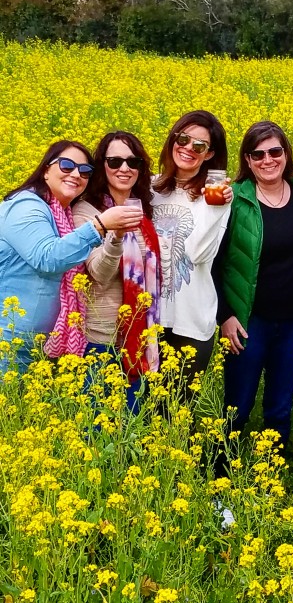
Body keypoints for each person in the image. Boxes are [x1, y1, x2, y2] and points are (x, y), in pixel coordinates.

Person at [215, 120, 293, 456]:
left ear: (286, 154)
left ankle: (272, 476)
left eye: (275, 151)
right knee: (239, 403)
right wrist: (225, 315)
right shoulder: (234, 201)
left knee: (280, 406)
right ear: (247, 160)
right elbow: (215, 263)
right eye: (258, 154)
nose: (268, 160)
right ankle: (223, 476)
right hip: (250, 322)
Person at [0, 141, 142, 368]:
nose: (76, 174)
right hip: (12, 342)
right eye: (66, 166)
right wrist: (99, 226)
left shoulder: (62, 213)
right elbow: (48, 258)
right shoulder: (26, 206)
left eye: (85, 171)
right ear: (46, 169)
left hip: (48, 343)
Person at [73, 131, 161, 412]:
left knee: (131, 430)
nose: (124, 168)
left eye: (132, 162)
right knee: (97, 433)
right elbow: (98, 272)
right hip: (100, 340)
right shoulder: (87, 213)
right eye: (114, 161)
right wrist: (116, 235)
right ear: (102, 166)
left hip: (137, 341)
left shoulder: (143, 209)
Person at [151, 110, 231, 387]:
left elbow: (198, 254)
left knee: (176, 417)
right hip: (146, 319)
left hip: (191, 323)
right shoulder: (148, 189)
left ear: (209, 154)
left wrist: (215, 208)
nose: (188, 149)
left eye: (199, 146)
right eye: (182, 139)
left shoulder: (215, 196)